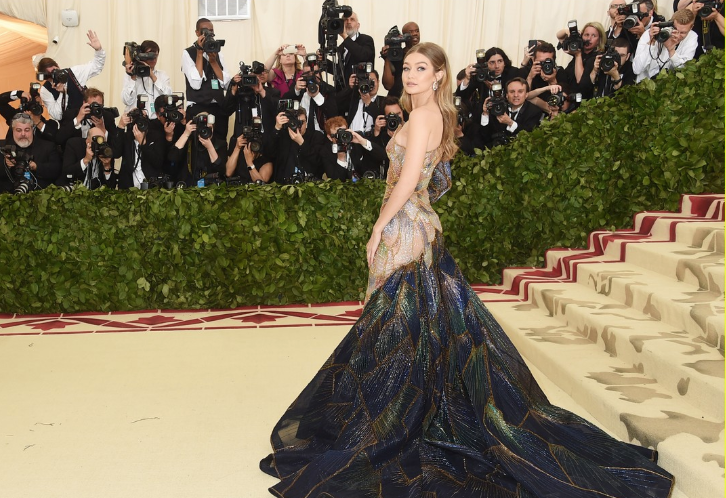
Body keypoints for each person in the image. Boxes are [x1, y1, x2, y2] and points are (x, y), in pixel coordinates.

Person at [260, 42, 675, 498]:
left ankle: (396, 421)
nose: (411, 74)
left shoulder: (423, 117)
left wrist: (379, 227)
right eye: (407, 67)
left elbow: (409, 179)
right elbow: (430, 183)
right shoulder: (433, 115)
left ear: (439, 75)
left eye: (421, 68)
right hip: (418, 227)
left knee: (398, 331)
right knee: (416, 330)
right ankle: (404, 413)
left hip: (406, 232)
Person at [37, 30, 106, 121]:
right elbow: (57, 115)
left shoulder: (73, 73)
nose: (55, 76)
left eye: (55, 71)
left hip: (87, 120)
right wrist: (62, 94)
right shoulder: (45, 90)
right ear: (46, 77)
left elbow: (96, 67)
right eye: (50, 75)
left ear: (58, 66)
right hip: (68, 126)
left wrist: (98, 50)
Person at [181, 18, 231, 142]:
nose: (209, 34)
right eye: (205, 31)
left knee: (219, 144)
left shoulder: (218, 53)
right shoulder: (188, 53)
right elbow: (195, 84)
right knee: (198, 145)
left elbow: (227, 85)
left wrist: (213, 62)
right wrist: (199, 53)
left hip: (218, 108)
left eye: (211, 31)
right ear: (197, 33)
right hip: (198, 107)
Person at [632, 8, 698, 82]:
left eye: (683, 33)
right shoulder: (651, 33)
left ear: (691, 27)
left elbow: (684, 70)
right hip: (644, 83)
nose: (678, 35)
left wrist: (671, 51)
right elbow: (637, 69)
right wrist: (651, 43)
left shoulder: (692, 36)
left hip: (669, 85)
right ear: (670, 23)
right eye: (675, 29)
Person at [1, 112, 61, 193]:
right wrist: (6, 164)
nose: (23, 134)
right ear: (13, 130)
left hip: (39, 195)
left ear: (32, 129)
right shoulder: (3, 146)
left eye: (27, 130)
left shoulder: (48, 146)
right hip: (8, 195)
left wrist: (36, 167)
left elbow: (56, 170)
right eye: (18, 130)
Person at [121, 40, 172, 119]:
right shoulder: (130, 75)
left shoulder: (162, 75)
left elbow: (168, 97)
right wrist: (133, 77)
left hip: (156, 120)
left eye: (156, 56)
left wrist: (152, 76)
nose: (153, 59)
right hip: (136, 119)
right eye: (150, 55)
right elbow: (126, 101)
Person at [381, 21, 420, 96]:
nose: (415, 34)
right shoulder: (396, 55)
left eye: (417, 31)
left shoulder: (424, 55)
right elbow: (388, 85)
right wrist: (387, 57)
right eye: (411, 32)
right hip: (397, 98)